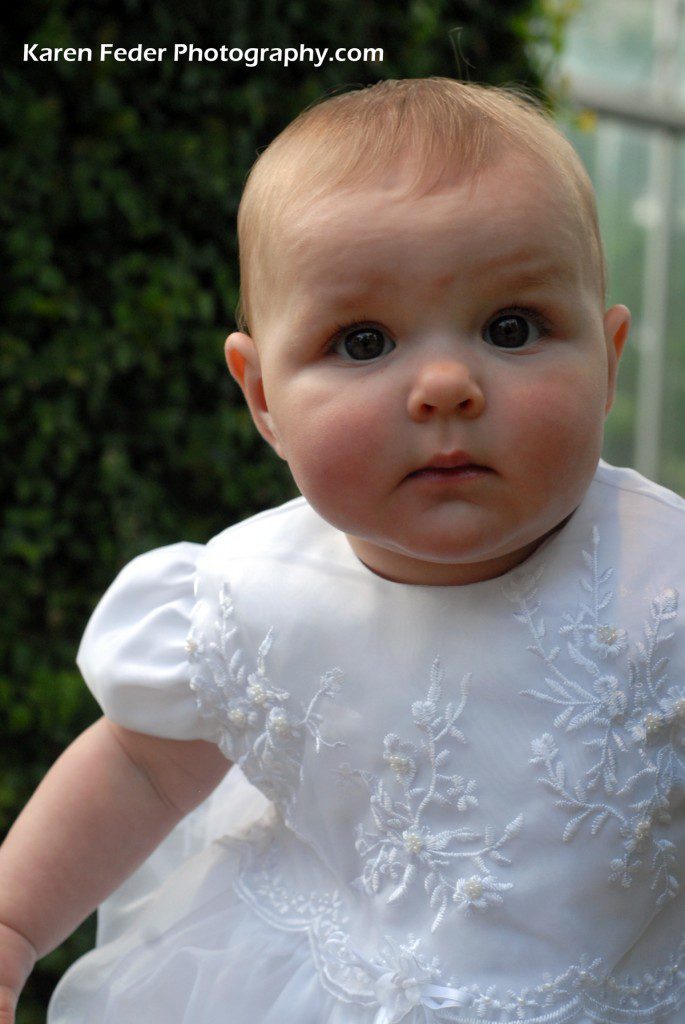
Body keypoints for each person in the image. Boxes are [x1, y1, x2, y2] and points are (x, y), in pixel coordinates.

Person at [1, 77, 683, 1024]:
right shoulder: (251, 595)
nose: (445, 384)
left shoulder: (665, 584)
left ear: (607, 362)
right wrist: (13, 926)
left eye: (511, 328)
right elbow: (142, 767)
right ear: (263, 398)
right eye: (363, 342)